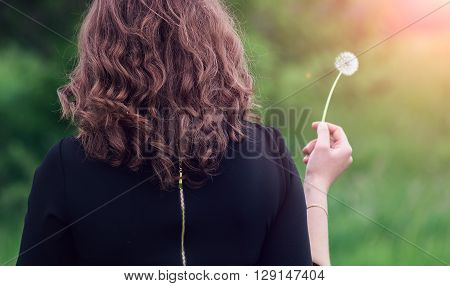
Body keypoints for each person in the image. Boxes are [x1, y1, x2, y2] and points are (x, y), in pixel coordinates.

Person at [16, 0, 352, 266]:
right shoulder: (267, 153)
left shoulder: (64, 168)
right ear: (216, 48)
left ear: (102, 53)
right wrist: (317, 186)